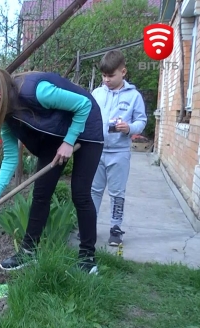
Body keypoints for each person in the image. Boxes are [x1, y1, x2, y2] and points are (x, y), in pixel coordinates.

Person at [0, 68, 103, 274]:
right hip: (57, 132)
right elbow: (10, 158)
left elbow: (83, 104)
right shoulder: (6, 118)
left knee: (81, 193)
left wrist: (69, 141)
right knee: (41, 193)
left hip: (87, 125)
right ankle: (28, 252)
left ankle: (87, 259)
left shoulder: (37, 91)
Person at [90, 50, 148, 246]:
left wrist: (129, 128)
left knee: (117, 193)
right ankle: (89, 225)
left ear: (123, 72)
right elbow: (88, 117)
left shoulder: (134, 96)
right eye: (104, 76)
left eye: (111, 75)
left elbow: (142, 120)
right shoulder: (96, 94)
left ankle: (115, 228)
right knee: (94, 191)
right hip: (96, 151)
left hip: (119, 153)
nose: (106, 80)